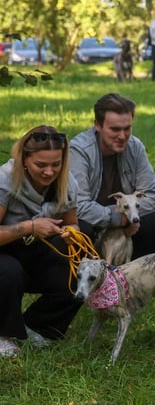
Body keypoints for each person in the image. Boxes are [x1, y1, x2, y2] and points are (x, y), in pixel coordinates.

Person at [0, 126, 83, 356]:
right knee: (9, 271)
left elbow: (73, 223)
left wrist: (70, 233)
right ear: (24, 159)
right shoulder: (5, 180)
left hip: (34, 249)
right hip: (5, 249)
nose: (49, 172)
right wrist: (30, 226)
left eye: (56, 164)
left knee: (79, 272)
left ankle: (36, 326)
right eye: (41, 165)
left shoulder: (67, 183)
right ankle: (3, 333)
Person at [70, 93, 155, 260]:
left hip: (126, 222)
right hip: (92, 224)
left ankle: (129, 274)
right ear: (97, 125)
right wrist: (116, 217)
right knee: (81, 230)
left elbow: (152, 197)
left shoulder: (135, 146)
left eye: (127, 128)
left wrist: (127, 215)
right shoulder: (79, 150)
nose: (122, 136)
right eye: (115, 129)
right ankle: (86, 277)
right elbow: (78, 206)